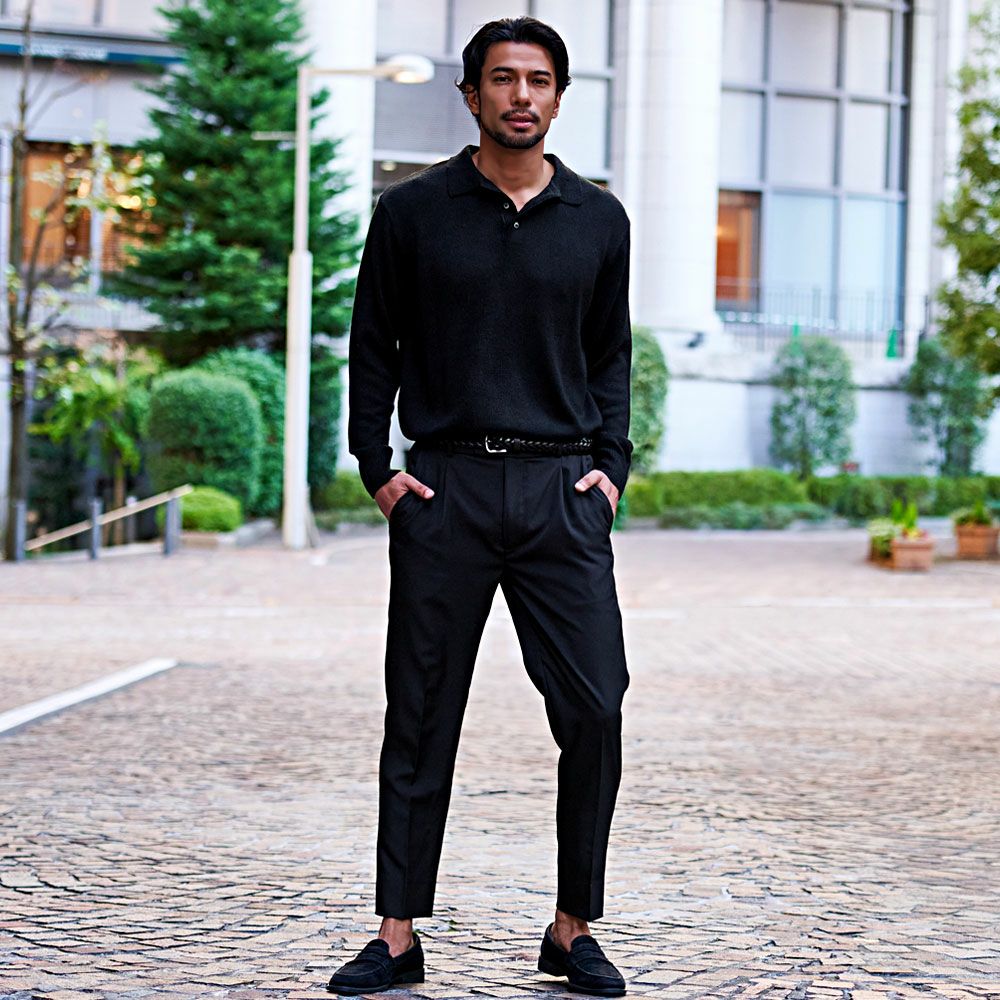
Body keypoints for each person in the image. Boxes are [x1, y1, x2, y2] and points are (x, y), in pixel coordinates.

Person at [327, 15, 633, 998]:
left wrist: (611, 467)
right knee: (420, 712)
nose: (520, 96)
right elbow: (372, 343)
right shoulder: (413, 213)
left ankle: (572, 929)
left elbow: (609, 355)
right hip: (445, 488)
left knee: (595, 704)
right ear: (470, 95)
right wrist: (376, 466)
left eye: (538, 80)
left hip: (560, 492)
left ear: (559, 96)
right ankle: (396, 934)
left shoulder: (599, 220)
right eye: (502, 78)